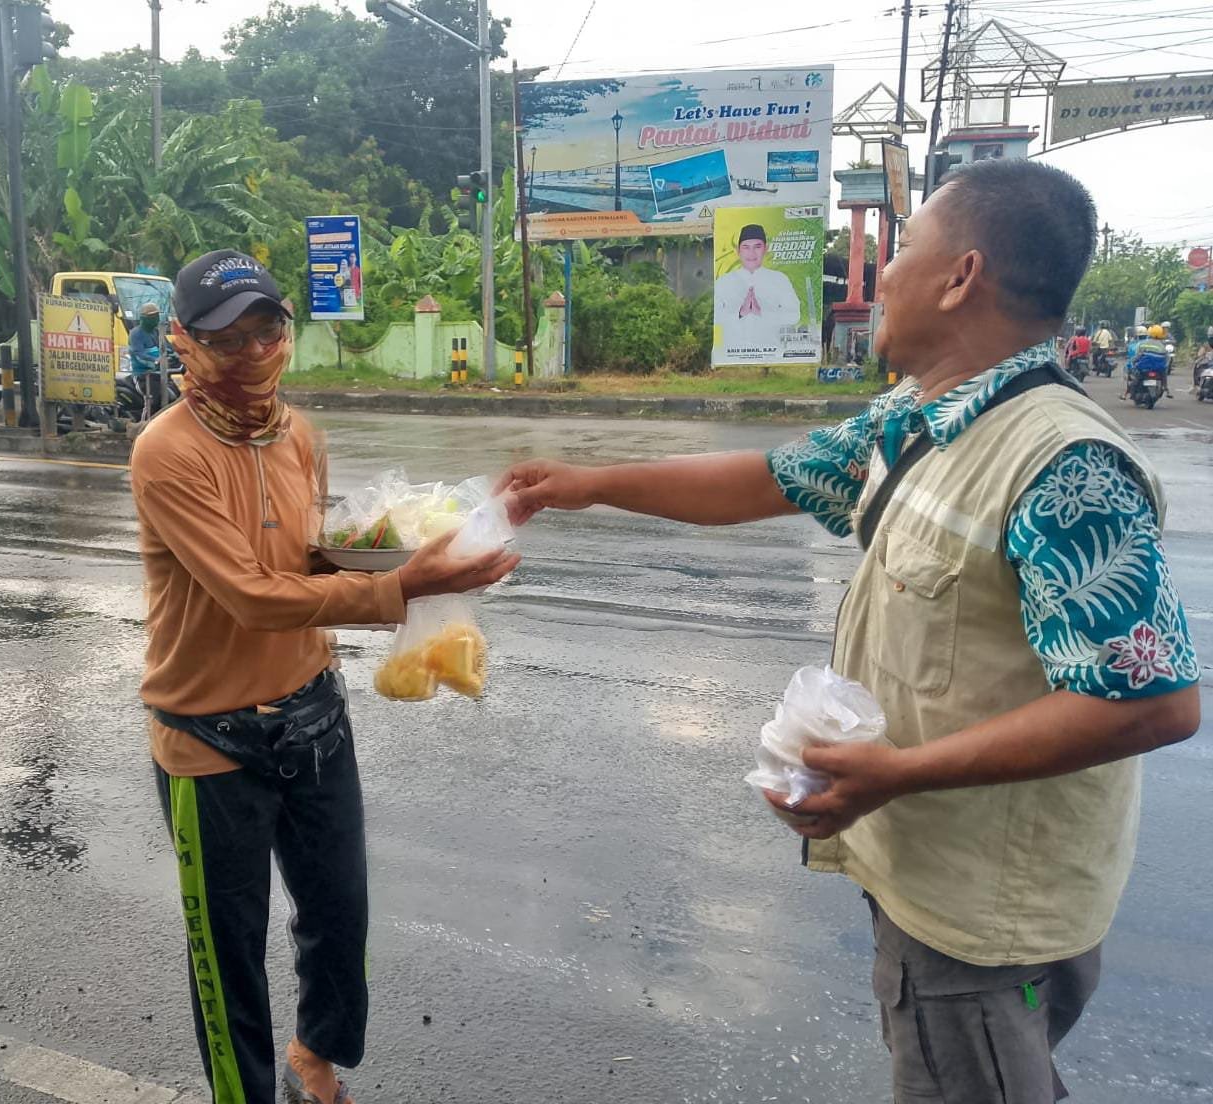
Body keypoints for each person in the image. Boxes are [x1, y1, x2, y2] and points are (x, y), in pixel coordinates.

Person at [497, 159, 1200, 1104]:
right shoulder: (920, 418)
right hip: (929, 872)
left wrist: (897, 774)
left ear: (961, 277)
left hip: (981, 914)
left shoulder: (1061, 462)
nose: (877, 282)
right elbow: (767, 479)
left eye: (901, 252)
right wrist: (588, 484)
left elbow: (1148, 704)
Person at [130, 249, 519, 1104]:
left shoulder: (302, 434)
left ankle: (317, 1052)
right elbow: (247, 594)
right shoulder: (167, 453)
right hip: (208, 737)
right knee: (228, 957)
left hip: (311, 714)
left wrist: (415, 545)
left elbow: (306, 563)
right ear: (187, 346)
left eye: (268, 327)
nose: (257, 351)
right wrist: (405, 585)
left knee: (340, 918)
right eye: (229, 339)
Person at [714, 224, 800, 359]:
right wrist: (740, 313)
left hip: (772, 354)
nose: (752, 253)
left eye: (757, 247)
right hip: (732, 355)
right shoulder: (724, 281)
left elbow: (794, 315)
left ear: (765, 249)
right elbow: (714, 317)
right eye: (746, 247)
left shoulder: (779, 279)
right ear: (738, 251)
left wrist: (762, 312)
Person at [129, 301, 166, 416]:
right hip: (144, 375)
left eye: (157, 316)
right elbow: (138, 354)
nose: (156, 319)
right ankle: (144, 427)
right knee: (152, 401)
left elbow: (167, 348)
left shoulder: (156, 332)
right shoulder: (136, 334)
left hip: (160, 373)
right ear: (144, 318)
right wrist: (154, 361)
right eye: (152, 317)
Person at [1122, 323, 1169, 400]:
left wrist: (1133, 362)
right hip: (1158, 369)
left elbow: (1137, 356)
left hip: (1144, 368)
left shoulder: (1142, 344)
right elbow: (1166, 358)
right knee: (1164, 375)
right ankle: (1166, 389)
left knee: (1135, 377)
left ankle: (1127, 393)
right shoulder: (1162, 346)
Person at [1193, 325, 1213, 393]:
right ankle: (1197, 385)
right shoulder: (1206, 344)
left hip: (1208, 364)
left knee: (1197, 364)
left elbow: (1200, 354)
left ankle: (1196, 385)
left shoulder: (1206, 344)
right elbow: (1200, 353)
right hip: (1208, 364)